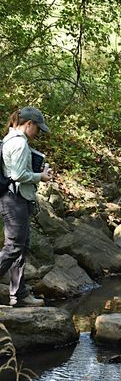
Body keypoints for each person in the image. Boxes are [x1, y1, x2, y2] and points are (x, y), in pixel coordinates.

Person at [0, 107, 51, 308]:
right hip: (15, 200)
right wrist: (41, 176)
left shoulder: (8, 139)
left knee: (21, 247)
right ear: (29, 124)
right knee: (13, 247)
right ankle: (19, 295)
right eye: (37, 128)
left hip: (13, 198)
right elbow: (18, 175)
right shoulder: (20, 143)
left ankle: (19, 295)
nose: (37, 133)